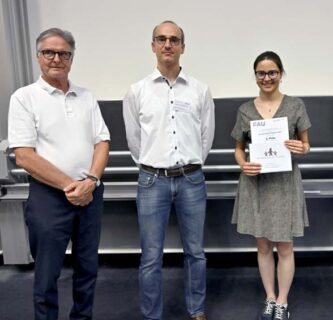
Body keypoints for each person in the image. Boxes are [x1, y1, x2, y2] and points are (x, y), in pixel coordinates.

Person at [7, 27, 110, 320]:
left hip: (90, 194)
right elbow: (24, 155)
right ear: (38, 57)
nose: (56, 58)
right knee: (47, 274)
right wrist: (70, 186)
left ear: (71, 58)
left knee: (87, 268)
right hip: (49, 197)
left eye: (63, 53)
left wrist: (90, 181)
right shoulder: (24, 98)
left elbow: (102, 141)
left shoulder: (86, 96)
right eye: (49, 52)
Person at [123, 20, 215, 320]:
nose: (167, 45)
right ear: (152, 45)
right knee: (150, 257)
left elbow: (206, 136)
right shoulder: (137, 91)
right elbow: (134, 140)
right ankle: (152, 316)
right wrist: (153, 164)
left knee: (195, 253)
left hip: (191, 179)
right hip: (152, 181)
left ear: (182, 47)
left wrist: (190, 163)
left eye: (174, 40)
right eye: (161, 39)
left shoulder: (200, 90)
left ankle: (197, 311)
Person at [231, 51, 311, 320]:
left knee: (285, 246)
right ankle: (269, 297)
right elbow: (238, 149)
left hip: (285, 183)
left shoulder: (295, 105)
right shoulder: (245, 109)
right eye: (261, 73)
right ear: (255, 76)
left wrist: (301, 147)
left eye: (272, 72)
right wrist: (243, 164)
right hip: (257, 182)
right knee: (263, 246)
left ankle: (283, 301)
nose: (267, 78)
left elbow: (306, 144)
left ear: (281, 74)